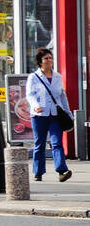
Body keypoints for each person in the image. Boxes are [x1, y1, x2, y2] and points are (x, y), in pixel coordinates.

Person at [26, 48, 72, 183]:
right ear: (40, 61)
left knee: (57, 143)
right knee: (39, 144)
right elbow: (30, 95)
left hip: (55, 115)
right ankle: (38, 172)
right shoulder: (33, 77)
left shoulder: (58, 77)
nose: (49, 60)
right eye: (46, 58)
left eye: (50, 58)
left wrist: (68, 113)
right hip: (39, 115)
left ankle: (61, 170)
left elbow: (62, 97)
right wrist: (35, 105)